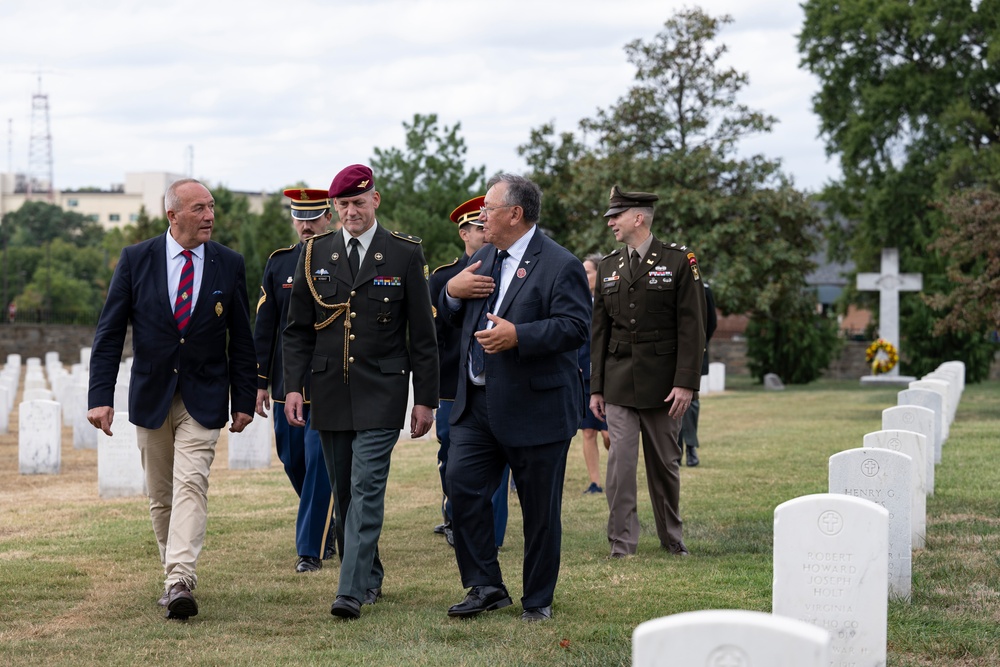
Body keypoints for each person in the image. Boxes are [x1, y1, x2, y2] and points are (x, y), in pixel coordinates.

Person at [87, 178, 257, 620]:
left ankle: (180, 578)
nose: (210, 216)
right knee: (161, 495)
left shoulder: (228, 263)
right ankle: (173, 573)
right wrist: (99, 395)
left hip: (204, 395)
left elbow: (241, 338)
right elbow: (109, 334)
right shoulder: (136, 259)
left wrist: (243, 398)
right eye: (199, 208)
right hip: (152, 394)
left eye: (212, 206)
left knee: (191, 484)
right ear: (173, 215)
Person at [282, 164, 438, 621]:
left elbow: (422, 335)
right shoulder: (314, 253)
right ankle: (369, 574)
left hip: (383, 389)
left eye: (358, 202)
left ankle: (349, 590)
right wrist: (293, 387)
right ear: (335, 207)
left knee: (366, 487)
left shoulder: (404, 253)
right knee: (345, 492)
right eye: (343, 204)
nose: (351, 211)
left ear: (376, 201)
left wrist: (425, 398)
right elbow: (296, 331)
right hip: (328, 389)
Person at [440, 173, 591, 622]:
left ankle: (537, 599)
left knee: (539, 510)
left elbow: (577, 327)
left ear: (515, 214)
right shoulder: (484, 256)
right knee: (462, 491)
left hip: (536, 408)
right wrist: (451, 293)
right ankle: (485, 585)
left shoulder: (559, 264)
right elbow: (451, 313)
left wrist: (519, 335)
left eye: (488, 207)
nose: (481, 214)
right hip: (476, 405)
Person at [589, 185, 706, 559]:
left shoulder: (678, 260)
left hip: (664, 386)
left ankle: (672, 537)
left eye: (616, 216)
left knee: (665, 466)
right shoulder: (608, 266)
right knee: (620, 466)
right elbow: (599, 332)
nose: (610, 222)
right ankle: (622, 543)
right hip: (619, 382)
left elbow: (693, 326)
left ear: (638, 217)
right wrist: (596, 388)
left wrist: (686, 382)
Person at [254, 188, 337, 573]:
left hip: (330, 379)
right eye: (299, 217)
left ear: (329, 218)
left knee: (321, 462)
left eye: (314, 217)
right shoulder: (279, 263)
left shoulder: (341, 260)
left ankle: (310, 549)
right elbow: (265, 328)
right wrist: (258, 382)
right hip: (288, 382)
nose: (306, 225)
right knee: (293, 459)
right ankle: (328, 521)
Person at [427, 195, 509, 549]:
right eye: (478, 227)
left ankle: (491, 532)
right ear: (464, 233)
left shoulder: (508, 267)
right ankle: (454, 512)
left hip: (499, 381)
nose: (484, 231)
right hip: (452, 385)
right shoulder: (444, 276)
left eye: (487, 223)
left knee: (499, 462)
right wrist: (453, 294)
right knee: (451, 457)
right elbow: (432, 335)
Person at [578, 253, 610, 494]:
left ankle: (618, 475)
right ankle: (595, 483)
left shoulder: (611, 301)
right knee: (588, 431)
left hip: (609, 376)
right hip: (584, 374)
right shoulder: (578, 301)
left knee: (610, 434)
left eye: (587, 271)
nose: (583, 275)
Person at [678, 281, 717, 467]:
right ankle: (675, 450)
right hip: (666, 354)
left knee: (691, 402)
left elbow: (711, 323)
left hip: (694, 353)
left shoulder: (704, 288)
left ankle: (691, 448)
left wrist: (697, 345)